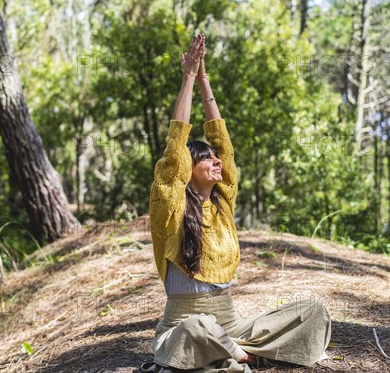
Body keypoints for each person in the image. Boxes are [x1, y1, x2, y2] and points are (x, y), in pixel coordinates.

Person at [140, 34, 331, 373]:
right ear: (188, 168)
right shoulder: (169, 211)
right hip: (186, 324)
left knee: (313, 311)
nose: (217, 161)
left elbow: (224, 145)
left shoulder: (222, 205)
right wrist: (186, 78)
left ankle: (232, 354)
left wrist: (204, 79)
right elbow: (174, 155)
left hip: (231, 325)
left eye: (216, 158)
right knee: (196, 329)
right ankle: (243, 357)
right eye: (206, 158)